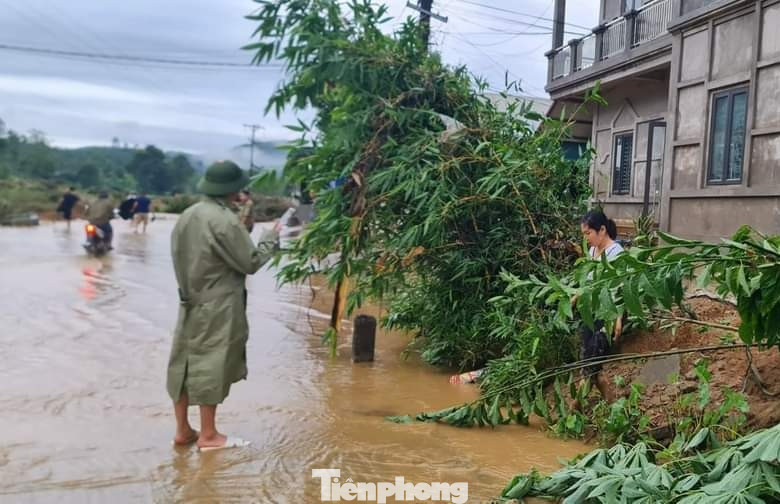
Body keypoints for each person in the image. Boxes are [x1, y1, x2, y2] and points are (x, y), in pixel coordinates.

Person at [166, 161, 279, 451]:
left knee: (184, 361)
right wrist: (270, 239)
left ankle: (183, 430)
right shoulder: (224, 220)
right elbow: (250, 262)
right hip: (218, 304)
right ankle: (209, 435)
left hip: (189, 300)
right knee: (211, 363)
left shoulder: (187, 215)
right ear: (233, 189)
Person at [577, 209, 625, 373]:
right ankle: (608, 396)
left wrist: (618, 318)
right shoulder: (592, 252)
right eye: (584, 234)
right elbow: (589, 283)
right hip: (592, 312)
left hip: (608, 314)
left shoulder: (616, 253)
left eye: (588, 233)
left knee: (592, 361)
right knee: (587, 359)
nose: (585, 238)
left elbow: (622, 288)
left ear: (602, 230)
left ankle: (579, 398)